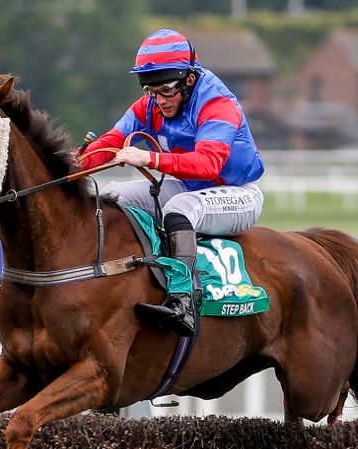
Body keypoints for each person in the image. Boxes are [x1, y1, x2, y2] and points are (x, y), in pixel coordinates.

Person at [80, 28, 265, 337]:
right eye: (149, 90)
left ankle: (183, 301)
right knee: (111, 196)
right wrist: (71, 164)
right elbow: (111, 142)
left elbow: (207, 164)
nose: (157, 100)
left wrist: (149, 159)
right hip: (188, 185)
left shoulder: (218, 105)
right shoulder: (150, 104)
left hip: (236, 193)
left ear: (189, 80)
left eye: (165, 90)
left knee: (179, 208)